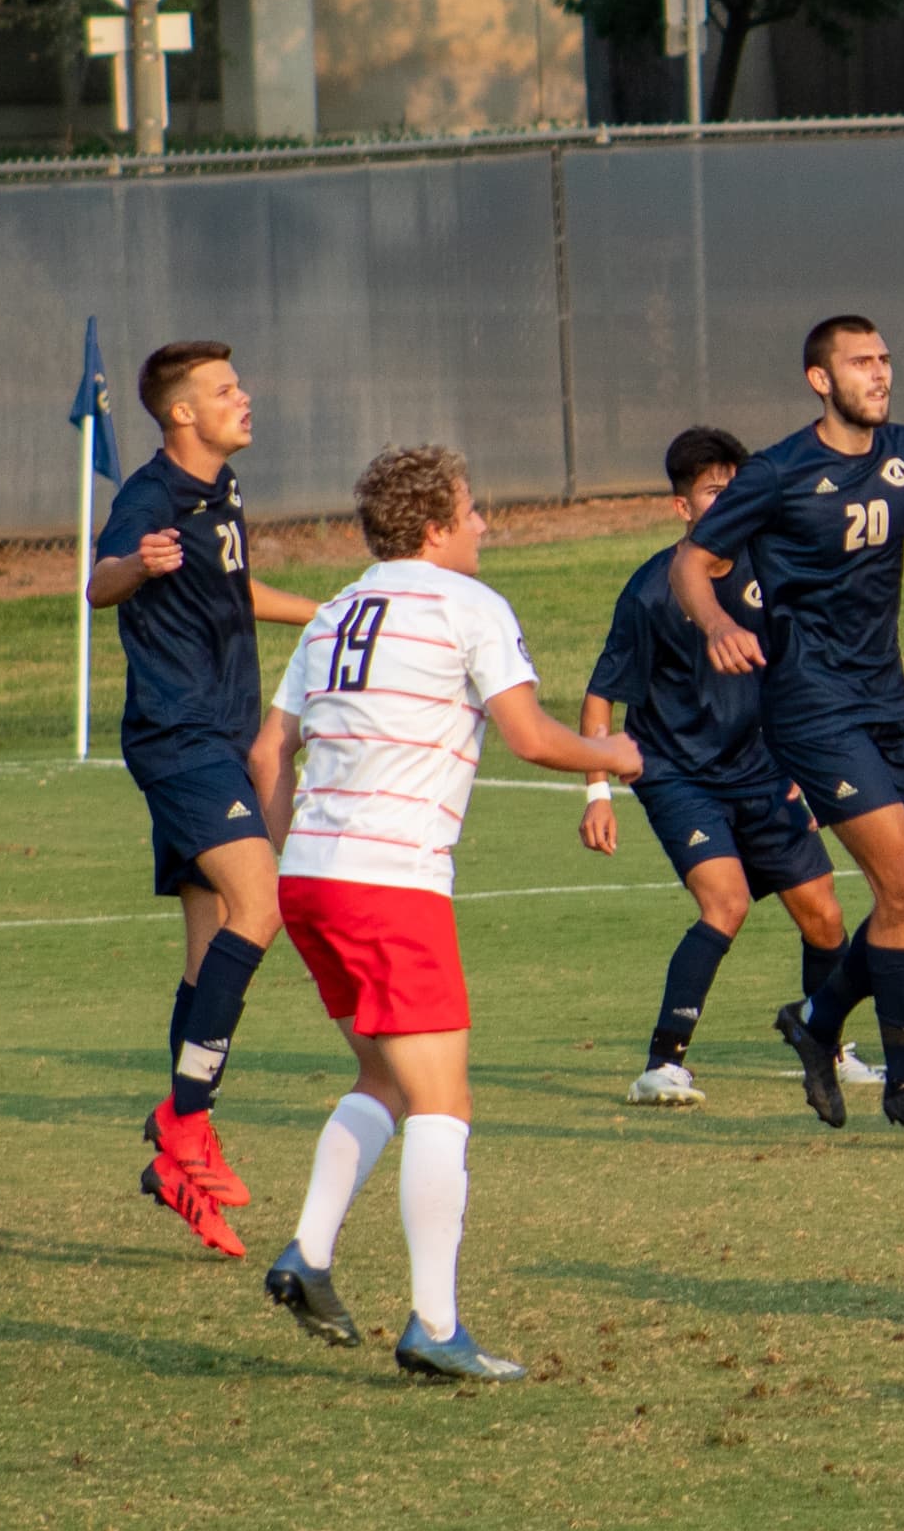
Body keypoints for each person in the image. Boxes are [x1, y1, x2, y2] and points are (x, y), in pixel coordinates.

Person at [253, 446, 642, 1380]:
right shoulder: (469, 606)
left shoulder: (339, 608)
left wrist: (287, 864)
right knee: (443, 1101)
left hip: (312, 879)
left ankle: (308, 1253)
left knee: (385, 1081)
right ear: (433, 525)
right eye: (473, 511)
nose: (485, 524)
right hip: (392, 884)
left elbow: (270, 754)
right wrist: (625, 756)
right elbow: (530, 737)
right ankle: (434, 1326)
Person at [682, 316, 904, 1140]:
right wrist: (719, 625)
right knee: (899, 886)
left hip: (887, 698)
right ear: (819, 380)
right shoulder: (779, 471)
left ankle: (818, 1018)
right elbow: (694, 563)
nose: (880, 373)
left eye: (886, 359)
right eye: (861, 362)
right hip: (808, 701)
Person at [88, 339, 324, 1258]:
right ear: (182, 412)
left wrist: (327, 610)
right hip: (181, 740)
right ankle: (184, 1117)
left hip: (221, 738)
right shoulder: (150, 497)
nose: (245, 397)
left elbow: (232, 588)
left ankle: (175, 1155)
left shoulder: (219, 494)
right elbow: (98, 583)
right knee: (261, 904)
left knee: (207, 953)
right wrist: (136, 565)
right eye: (226, 390)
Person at [580, 427, 849, 1106]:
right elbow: (601, 695)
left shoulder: (772, 569)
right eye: (711, 491)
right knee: (725, 903)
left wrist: (808, 768)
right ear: (683, 509)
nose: (727, 501)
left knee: (823, 914)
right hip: (676, 774)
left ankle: (829, 1044)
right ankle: (662, 1065)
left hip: (760, 772)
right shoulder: (650, 593)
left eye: (737, 488)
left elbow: (800, 675)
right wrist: (597, 792)